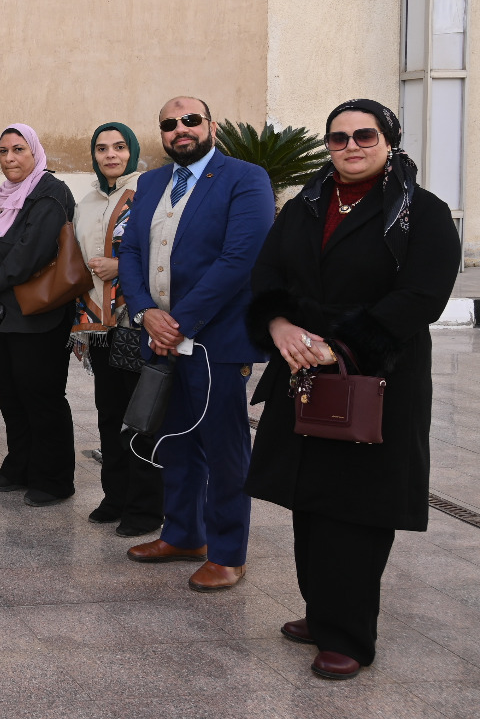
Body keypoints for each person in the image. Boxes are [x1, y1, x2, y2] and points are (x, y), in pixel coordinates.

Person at [245, 100, 459, 680]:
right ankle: (322, 612)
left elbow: (422, 296)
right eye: (338, 138)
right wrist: (279, 326)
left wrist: (342, 346)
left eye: (365, 135)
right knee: (310, 499)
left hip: (376, 377)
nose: (351, 146)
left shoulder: (422, 212)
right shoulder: (306, 205)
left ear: (389, 140)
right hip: (303, 371)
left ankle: (349, 635)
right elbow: (267, 276)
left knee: (357, 506)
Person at [118, 97, 273, 592]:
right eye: (169, 123)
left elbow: (240, 258)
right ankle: (184, 534)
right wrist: (145, 312)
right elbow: (132, 251)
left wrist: (180, 323)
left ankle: (227, 553)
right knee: (177, 443)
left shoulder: (245, 178)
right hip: (160, 336)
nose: (180, 129)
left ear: (211, 126)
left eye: (190, 120)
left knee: (224, 450)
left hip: (215, 341)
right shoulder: (151, 183)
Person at [0, 124, 79, 507]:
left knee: (41, 395)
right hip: (1, 316)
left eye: (18, 149)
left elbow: (31, 250)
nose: (10, 158)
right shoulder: (7, 195)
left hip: (38, 316)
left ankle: (53, 479)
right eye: (3, 151)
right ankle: (19, 466)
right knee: (11, 393)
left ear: (35, 152)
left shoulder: (50, 192)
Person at [73, 123, 162, 537]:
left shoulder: (148, 192)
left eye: (120, 147)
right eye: (102, 148)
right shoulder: (88, 200)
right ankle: (115, 497)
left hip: (137, 320)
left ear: (133, 151)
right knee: (109, 412)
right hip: (99, 324)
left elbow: (162, 251)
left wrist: (120, 266)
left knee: (141, 415)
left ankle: (145, 508)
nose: (111, 154)